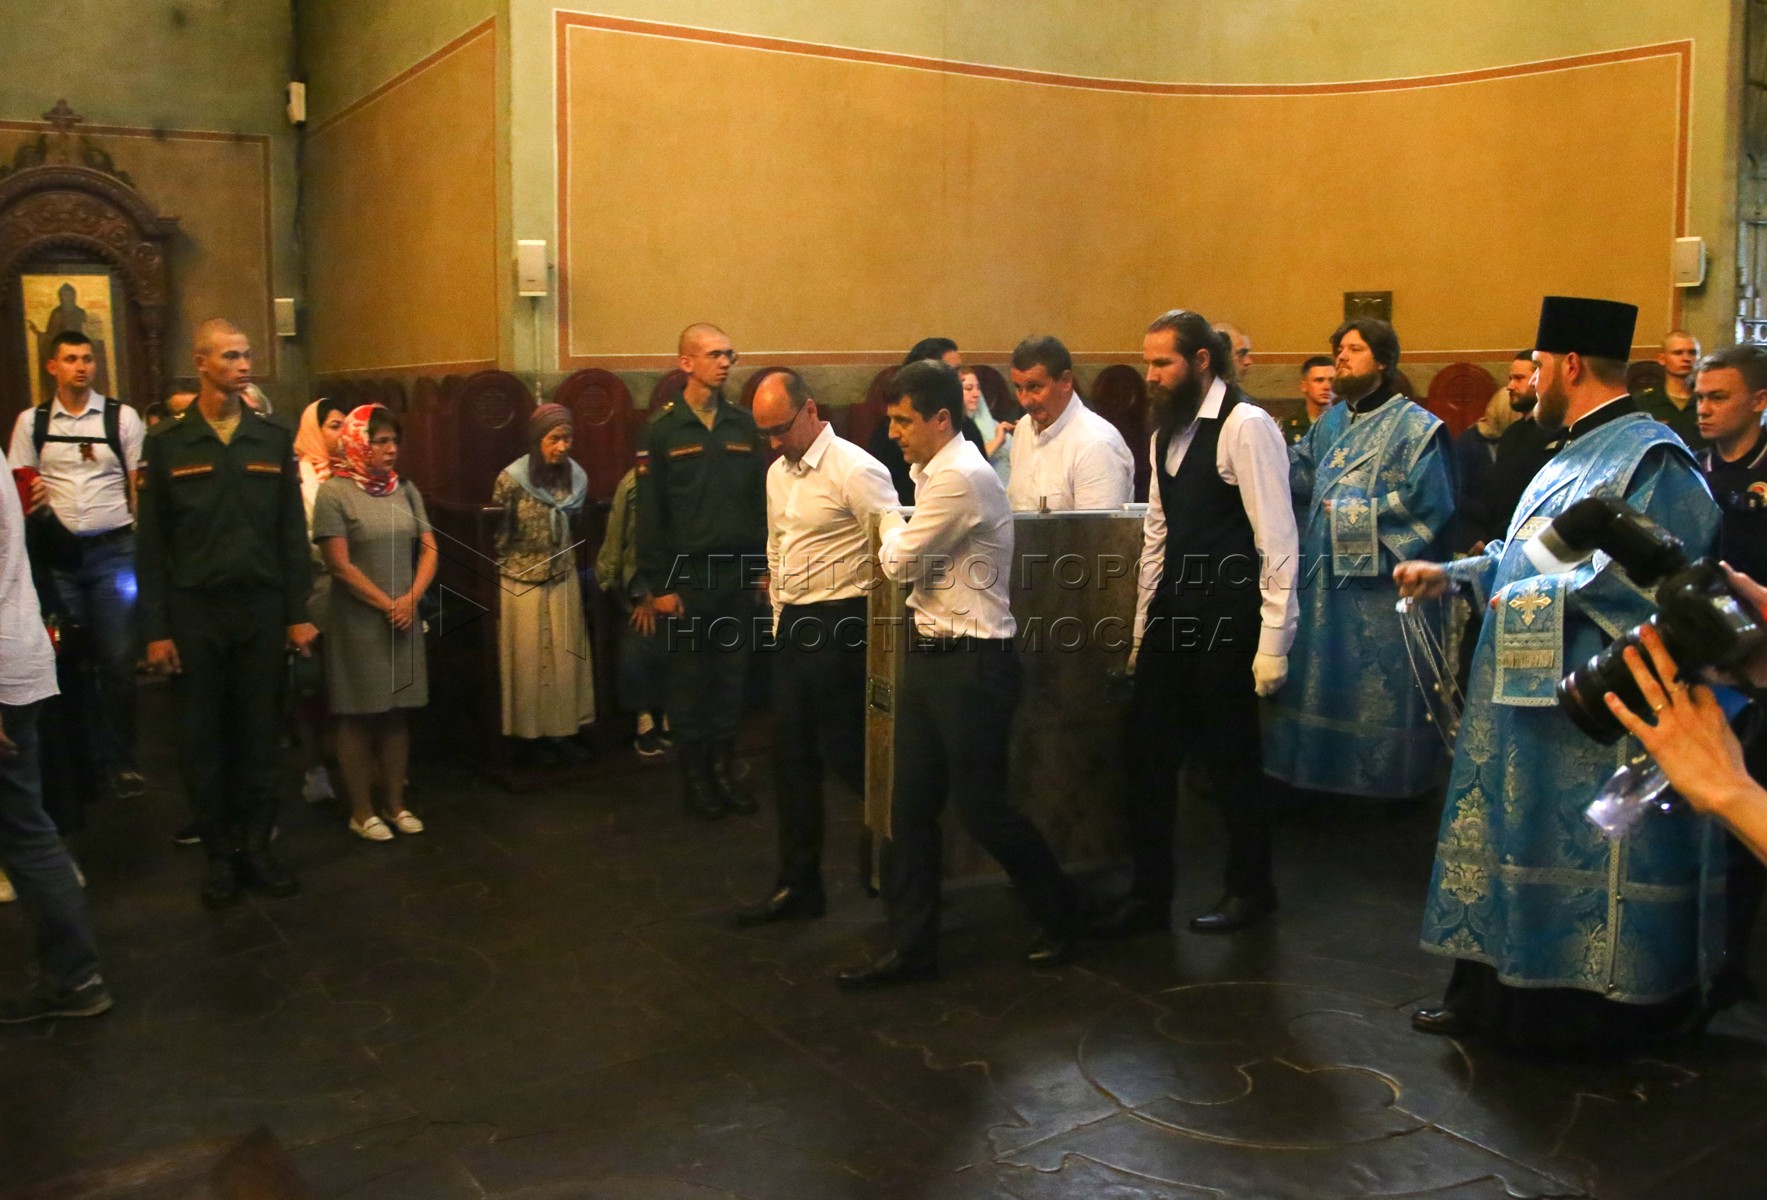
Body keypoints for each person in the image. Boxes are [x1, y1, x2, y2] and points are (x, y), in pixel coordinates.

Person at [1396, 295, 1721, 1054]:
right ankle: (1494, 997)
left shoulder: (1651, 457)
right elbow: (1528, 559)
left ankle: (1589, 1017)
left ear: (1569, 365)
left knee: (1582, 851)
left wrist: (1520, 597)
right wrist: (1454, 574)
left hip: (1593, 710)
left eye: (1538, 366)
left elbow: (1658, 583)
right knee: (1511, 837)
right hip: (1523, 701)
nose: (1531, 381)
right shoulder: (1568, 452)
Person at [838, 359, 1085, 988]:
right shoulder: (936, 472)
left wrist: (888, 522)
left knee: (982, 811)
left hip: (974, 666)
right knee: (908, 808)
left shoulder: (959, 478)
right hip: (934, 656)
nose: (894, 432)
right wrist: (900, 535)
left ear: (942, 419)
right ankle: (912, 947)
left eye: (904, 421)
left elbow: (898, 564)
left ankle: (1062, 914)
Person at [1092, 311, 1299, 939]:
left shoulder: (1246, 425)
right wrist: (1140, 632)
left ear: (1201, 361)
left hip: (1229, 616)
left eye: (1163, 363)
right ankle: (1149, 891)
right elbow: (1157, 537)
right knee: (1147, 755)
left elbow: (1277, 538)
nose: (1151, 376)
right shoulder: (1165, 431)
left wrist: (1274, 642)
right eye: (1148, 363)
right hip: (1173, 616)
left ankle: (1251, 888)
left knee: (1230, 760)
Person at [135, 319, 316, 909]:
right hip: (196, 611)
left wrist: (297, 612)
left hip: (260, 608)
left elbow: (290, 533)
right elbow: (152, 546)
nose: (244, 366)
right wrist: (156, 630)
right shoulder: (167, 443)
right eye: (231, 356)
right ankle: (219, 856)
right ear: (201, 363)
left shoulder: (270, 437)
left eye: (247, 355)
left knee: (260, 737)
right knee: (201, 741)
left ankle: (257, 849)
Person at [1263, 318, 1456, 799]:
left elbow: (1431, 503)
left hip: (1378, 592)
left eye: (1354, 349)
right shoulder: (1331, 421)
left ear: (1383, 361)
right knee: (1319, 677)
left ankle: (1383, 791)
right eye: (1339, 350)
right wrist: (1266, 452)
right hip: (1322, 580)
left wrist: (1355, 514)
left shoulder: (1418, 427)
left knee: (1375, 691)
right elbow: (1304, 477)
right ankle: (1315, 783)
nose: (1341, 358)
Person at [736, 369, 896, 926]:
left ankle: (908, 872)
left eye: (780, 429)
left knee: (849, 756)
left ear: (810, 410)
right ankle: (799, 884)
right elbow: (777, 546)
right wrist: (780, 619)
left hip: (844, 621)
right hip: (796, 626)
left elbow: (891, 556)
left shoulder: (856, 468)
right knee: (791, 760)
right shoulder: (777, 473)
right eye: (764, 433)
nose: (773, 443)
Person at [9, 330, 147, 801]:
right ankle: (79, 764)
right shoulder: (33, 422)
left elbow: (138, 483)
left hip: (113, 552)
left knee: (118, 661)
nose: (81, 367)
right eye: (70, 359)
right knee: (65, 660)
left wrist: (142, 541)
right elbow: (20, 485)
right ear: (53, 367)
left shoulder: (120, 417)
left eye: (87, 359)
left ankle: (120, 760)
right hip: (58, 558)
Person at [636, 324, 765, 817]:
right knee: (689, 687)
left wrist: (762, 568)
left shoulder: (743, 425)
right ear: (686, 363)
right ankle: (695, 781)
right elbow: (650, 514)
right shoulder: (663, 429)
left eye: (730, 354)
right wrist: (659, 584)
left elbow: (759, 502)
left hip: (735, 576)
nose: (725, 363)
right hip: (688, 578)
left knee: (731, 684)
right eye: (714, 354)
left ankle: (723, 774)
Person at [0, 444, 110, 1023]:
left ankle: (75, 977)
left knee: (24, 829)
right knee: (26, 827)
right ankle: (76, 976)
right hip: (16, 657)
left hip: (4, 670)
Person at [314, 405, 436, 842]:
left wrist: (411, 599)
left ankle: (396, 804)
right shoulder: (335, 493)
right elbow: (340, 565)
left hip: (403, 613)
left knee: (397, 712)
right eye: (380, 441)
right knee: (359, 714)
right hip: (359, 618)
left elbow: (429, 547)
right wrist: (388, 604)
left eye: (394, 441)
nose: (390, 449)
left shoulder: (406, 489)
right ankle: (362, 811)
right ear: (358, 444)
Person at [1688, 346, 1767, 998]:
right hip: (1705, 665)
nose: (1703, 408)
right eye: (1698, 397)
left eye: (1718, 397)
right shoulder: (1689, 471)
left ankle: (1738, 964)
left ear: (1759, 401)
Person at [493, 404, 596, 768]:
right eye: (554, 439)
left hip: (562, 577)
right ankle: (529, 737)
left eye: (567, 438)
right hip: (522, 581)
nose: (562, 446)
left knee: (564, 661)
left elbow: (577, 524)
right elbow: (500, 533)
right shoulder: (512, 480)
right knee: (528, 662)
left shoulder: (576, 478)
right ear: (538, 440)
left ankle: (562, 732)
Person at [1004, 335, 1134, 512]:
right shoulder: (1024, 428)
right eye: (1018, 388)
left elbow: (1099, 529)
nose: (1025, 401)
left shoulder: (1096, 445)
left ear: (1065, 381)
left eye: (1034, 387)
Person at [594, 465, 671, 759]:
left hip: (679, 576)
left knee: (678, 642)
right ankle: (644, 717)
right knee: (641, 636)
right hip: (640, 579)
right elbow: (628, 542)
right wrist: (641, 592)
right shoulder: (637, 482)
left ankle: (669, 712)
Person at [293, 397, 347, 804]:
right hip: (314, 584)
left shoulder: (353, 471)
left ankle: (354, 762)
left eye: (345, 425)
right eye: (332, 425)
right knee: (312, 683)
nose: (341, 434)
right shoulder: (298, 475)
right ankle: (314, 766)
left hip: (352, 585)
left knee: (349, 680)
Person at [868, 338, 985, 504]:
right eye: (952, 372)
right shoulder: (886, 439)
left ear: (942, 420)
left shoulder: (959, 473)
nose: (961, 379)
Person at [1448, 385, 1523, 554]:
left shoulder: (1518, 439)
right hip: (1473, 532)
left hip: (1504, 530)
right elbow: (1455, 494)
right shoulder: (1469, 443)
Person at [1636, 329, 1704, 448]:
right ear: (1662, 359)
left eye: (1692, 353)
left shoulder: (1708, 401)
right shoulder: (1643, 402)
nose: (1686, 358)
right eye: (1678, 353)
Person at [960, 366, 1011, 485]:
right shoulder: (952, 429)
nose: (976, 394)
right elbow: (967, 464)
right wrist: (998, 440)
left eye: (978, 388)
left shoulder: (990, 423)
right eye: (968, 388)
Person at [1281, 356, 1335, 445]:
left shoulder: (1348, 424)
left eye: (1332, 380)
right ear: (1304, 386)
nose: (1327, 387)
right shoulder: (1287, 428)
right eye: (1319, 380)